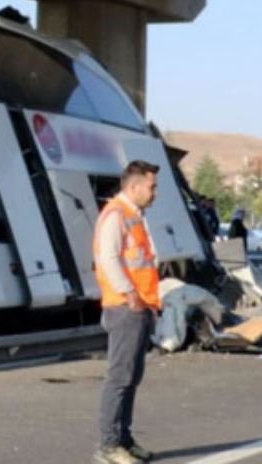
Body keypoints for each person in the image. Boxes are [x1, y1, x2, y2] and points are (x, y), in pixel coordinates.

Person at [92, 160, 162, 464]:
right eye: (151, 186)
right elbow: (107, 258)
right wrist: (129, 293)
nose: (155, 192)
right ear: (134, 187)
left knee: (131, 377)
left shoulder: (134, 215)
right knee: (120, 377)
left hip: (140, 305)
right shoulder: (116, 215)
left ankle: (124, 439)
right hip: (125, 307)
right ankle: (108, 446)